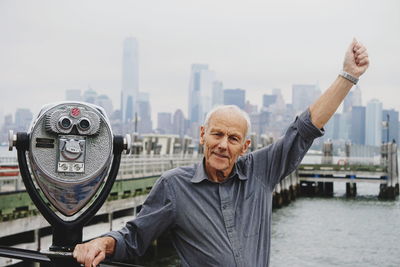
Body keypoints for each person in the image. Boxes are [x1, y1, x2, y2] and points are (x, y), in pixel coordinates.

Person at [73, 39, 369, 267]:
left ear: (245, 146)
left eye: (233, 138)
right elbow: (135, 237)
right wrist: (104, 242)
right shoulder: (175, 186)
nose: (223, 144)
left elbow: (302, 129)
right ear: (202, 135)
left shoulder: (261, 172)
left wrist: (348, 76)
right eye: (216, 134)